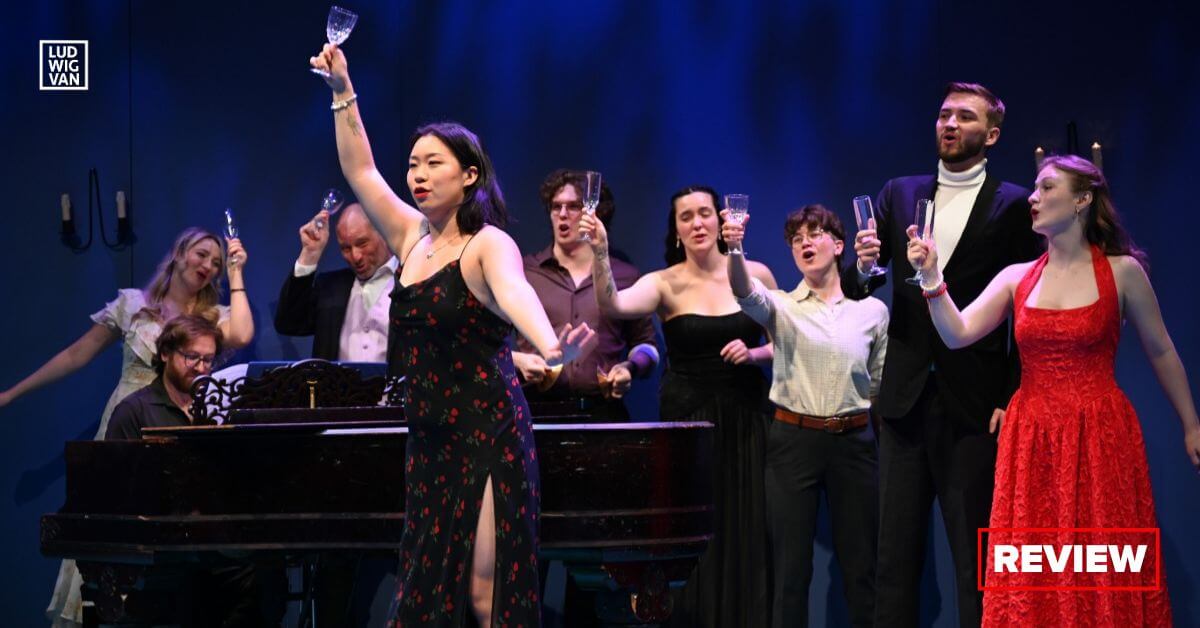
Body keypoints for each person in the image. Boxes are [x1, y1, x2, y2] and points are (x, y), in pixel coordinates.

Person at [310, 44, 595, 627]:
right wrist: (343, 90)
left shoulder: (487, 243)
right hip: (429, 436)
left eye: (433, 163)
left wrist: (549, 345)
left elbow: (515, 293)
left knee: (486, 594)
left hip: (487, 430)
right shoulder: (410, 235)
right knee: (424, 590)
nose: (417, 174)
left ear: (469, 176)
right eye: (413, 164)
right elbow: (361, 170)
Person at [907, 154, 1198, 626]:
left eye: (1046, 188)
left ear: (1082, 199)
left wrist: (1191, 424)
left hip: (1099, 435)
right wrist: (932, 277)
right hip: (1032, 439)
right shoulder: (1017, 277)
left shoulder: (1123, 272)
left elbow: (1161, 350)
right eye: (1035, 188)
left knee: (1101, 557)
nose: (1034, 198)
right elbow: (957, 333)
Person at [842, 82, 1042, 627]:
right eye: (944, 114)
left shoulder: (1015, 204)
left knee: (976, 560)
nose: (950, 124)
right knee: (894, 559)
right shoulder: (899, 192)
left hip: (975, 404)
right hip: (904, 401)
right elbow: (859, 286)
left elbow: (1029, 308)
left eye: (965, 117)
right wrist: (864, 266)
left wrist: (1013, 393)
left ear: (991, 135)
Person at [0, 227, 253, 626]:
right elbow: (77, 354)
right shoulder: (134, 305)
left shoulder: (210, 318)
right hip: (126, 422)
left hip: (178, 425)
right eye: (202, 254)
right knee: (111, 520)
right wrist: (11, 394)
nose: (208, 265)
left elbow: (242, 333)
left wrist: (237, 272)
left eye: (217, 262)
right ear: (179, 254)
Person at [580, 185, 777, 627]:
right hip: (690, 425)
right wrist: (600, 251)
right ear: (675, 231)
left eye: (704, 213)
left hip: (748, 419)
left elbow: (783, 343)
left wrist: (754, 354)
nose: (697, 223)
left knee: (750, 529)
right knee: (696, 535)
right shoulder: (663, 282)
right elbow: (613, 303)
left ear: (721, 221)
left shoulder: (757, 274)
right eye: (685, 217)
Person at [723, 205, 887, 628]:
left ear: (839, 245)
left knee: (862, 570)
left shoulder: (872, 312)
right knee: (791, 572)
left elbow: (876, 384)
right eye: (796, 240)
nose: (804, 244)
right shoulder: (781, 305)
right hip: (794, 442)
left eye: (814, 234)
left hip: (853, 443)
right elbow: (744, 292)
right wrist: (735, 248)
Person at [105, 315, 285, 626]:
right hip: (163, 545)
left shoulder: (220, 410)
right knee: (201, 587)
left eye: (208, 360)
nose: (201, 368)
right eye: (192, 358)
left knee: (269, 574)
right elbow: (116, 490)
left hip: (214, 541)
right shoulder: (134, 411)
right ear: (165, 353)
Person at [513, 169, 659, 420]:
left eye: (573, 206)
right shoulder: (525, 272)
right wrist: (519, 361)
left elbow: (647, 347)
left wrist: (629, 368)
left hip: (603, 412)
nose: (562, 214)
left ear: (595, 214)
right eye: (556, 206)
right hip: (539, 410)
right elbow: (490, 343)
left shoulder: (624, 275)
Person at [276, 202, 399, 367]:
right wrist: (309, 254)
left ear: (384, 233)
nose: (355, 256)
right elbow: (288, 323)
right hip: (336, 384)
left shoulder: (412, 282)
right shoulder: (330, 287)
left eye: (362, 243)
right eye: (346, 248)